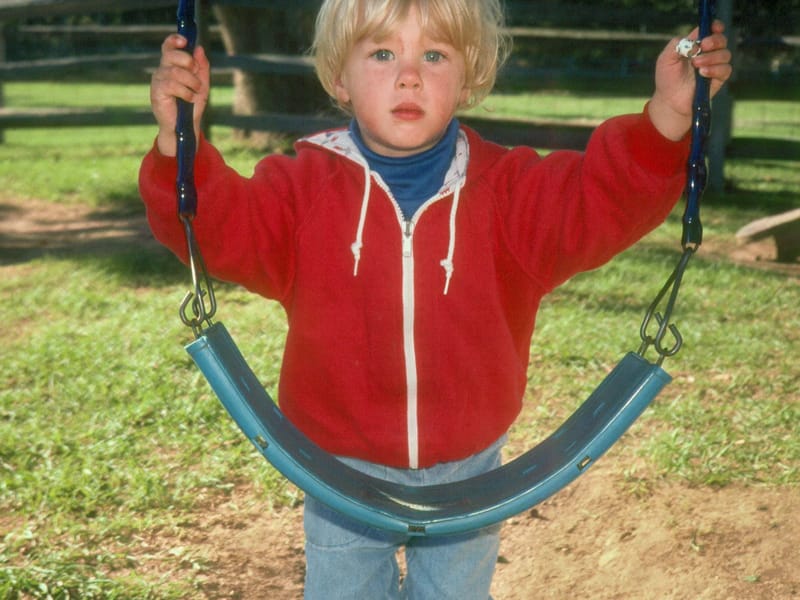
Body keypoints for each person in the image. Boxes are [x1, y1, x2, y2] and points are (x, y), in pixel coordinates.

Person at [140, 1, 732, 597]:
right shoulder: (301, 193)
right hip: (336, 469)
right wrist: (177, 139)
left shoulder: (509, 195)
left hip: (470, 471)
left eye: (434, 54)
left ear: (469, 75)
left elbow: (599, 201)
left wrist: (667, 117)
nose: (409, 75)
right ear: (338, 78)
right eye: (381, 53)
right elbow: (216, 226)